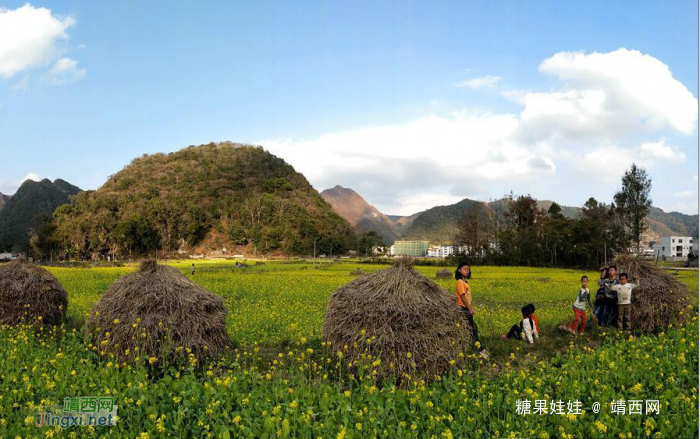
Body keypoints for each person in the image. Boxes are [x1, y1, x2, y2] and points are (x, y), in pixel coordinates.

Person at [455, 263, 488, 358]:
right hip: (463, 308)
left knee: (473, 328)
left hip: (465, 307)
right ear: (459, 270)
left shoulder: (465, 282)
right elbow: (462, 296)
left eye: (468, 269)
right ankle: (480, 350)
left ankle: (475, 348)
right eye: (464, 269)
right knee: (473, 328)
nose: (467, 271)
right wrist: (470, 308)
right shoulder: (460, 282)